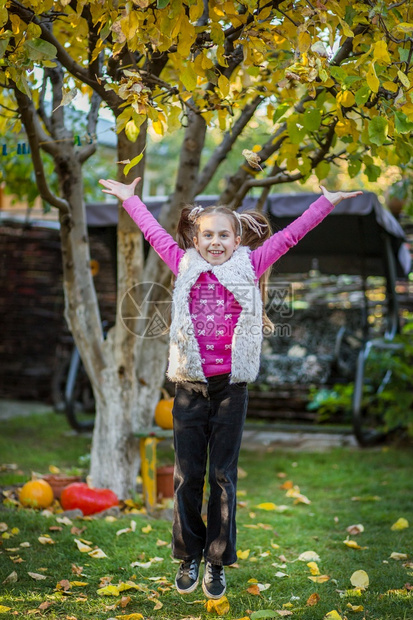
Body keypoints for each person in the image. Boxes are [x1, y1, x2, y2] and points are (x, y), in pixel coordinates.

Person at [99, 177, 362, 600]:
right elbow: (153, 232)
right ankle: (189, 555)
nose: (215, 242)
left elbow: (293, 234)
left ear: (237, 238)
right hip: (188, 386)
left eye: (224, 235)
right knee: (188, 477)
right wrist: (131, 200)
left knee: (222, 477)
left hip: (230, 389)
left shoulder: (250, 265)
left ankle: (217, 563)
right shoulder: (182, 263)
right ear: (196, 238)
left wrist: (326, 201)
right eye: (208, 235)